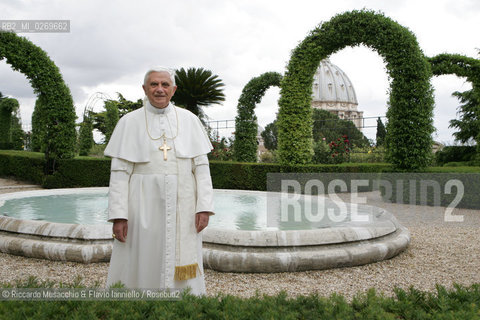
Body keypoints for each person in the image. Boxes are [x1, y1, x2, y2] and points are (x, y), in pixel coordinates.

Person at [104, 67, 214, 295]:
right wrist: (118, 215)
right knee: (142, 256)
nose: (159, 89)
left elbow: (202, 169)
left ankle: (184, 304)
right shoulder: (129, 122)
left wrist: (204, 207)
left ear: (174, 90)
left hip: (183, 207)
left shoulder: (190, 120)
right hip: (141, 207)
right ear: (144, 89)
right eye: (154, 84)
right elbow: (119, 173)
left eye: (165, 85)